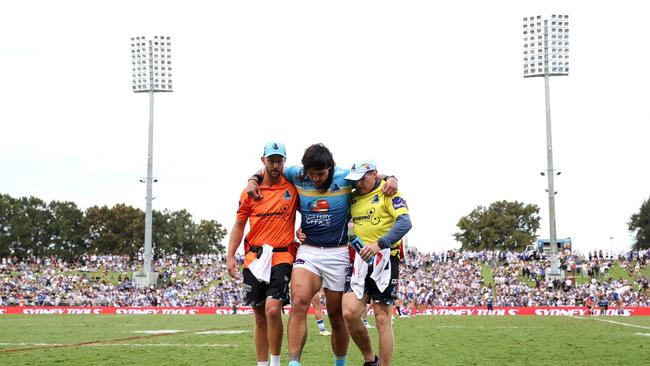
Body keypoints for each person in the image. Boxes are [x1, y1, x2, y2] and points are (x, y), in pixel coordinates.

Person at [247, 143, 398, 366]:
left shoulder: (345, 177)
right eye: (311, 174)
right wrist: (252, 179)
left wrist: (392, 178)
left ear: (330, 167)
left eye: (320, 174)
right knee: (298, 302)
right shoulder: (297, 173)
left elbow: (371, 176)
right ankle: (294, 363)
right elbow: (269, 170)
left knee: (336, 315)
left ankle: (340, 363)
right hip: (309, 251)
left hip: (338, 254)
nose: (315, 179)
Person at [227, 142, 299, 366]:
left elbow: (309, 209)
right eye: (271, 160)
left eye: (279, 160)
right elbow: (239, 224)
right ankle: (262, 364)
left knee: (273, 308)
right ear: (263, 161)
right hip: (255, 258)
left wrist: (304, 230)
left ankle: (275, 363)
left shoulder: (292, 189)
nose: (275, 164)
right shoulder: (250, 192)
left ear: (284, 161)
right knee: (259, 314)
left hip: (282, 256)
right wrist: (230, 256)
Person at [342, 160, 412, 366]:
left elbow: (405, 222)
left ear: (374, 174)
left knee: (382, 317)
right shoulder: (352, 197)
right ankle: (370, 359)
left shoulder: (388, 192)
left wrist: (379, 244)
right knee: (349, 313)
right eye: (355, 180)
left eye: (363, 179)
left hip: (385, 260)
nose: (359, 184)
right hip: (358, 261)